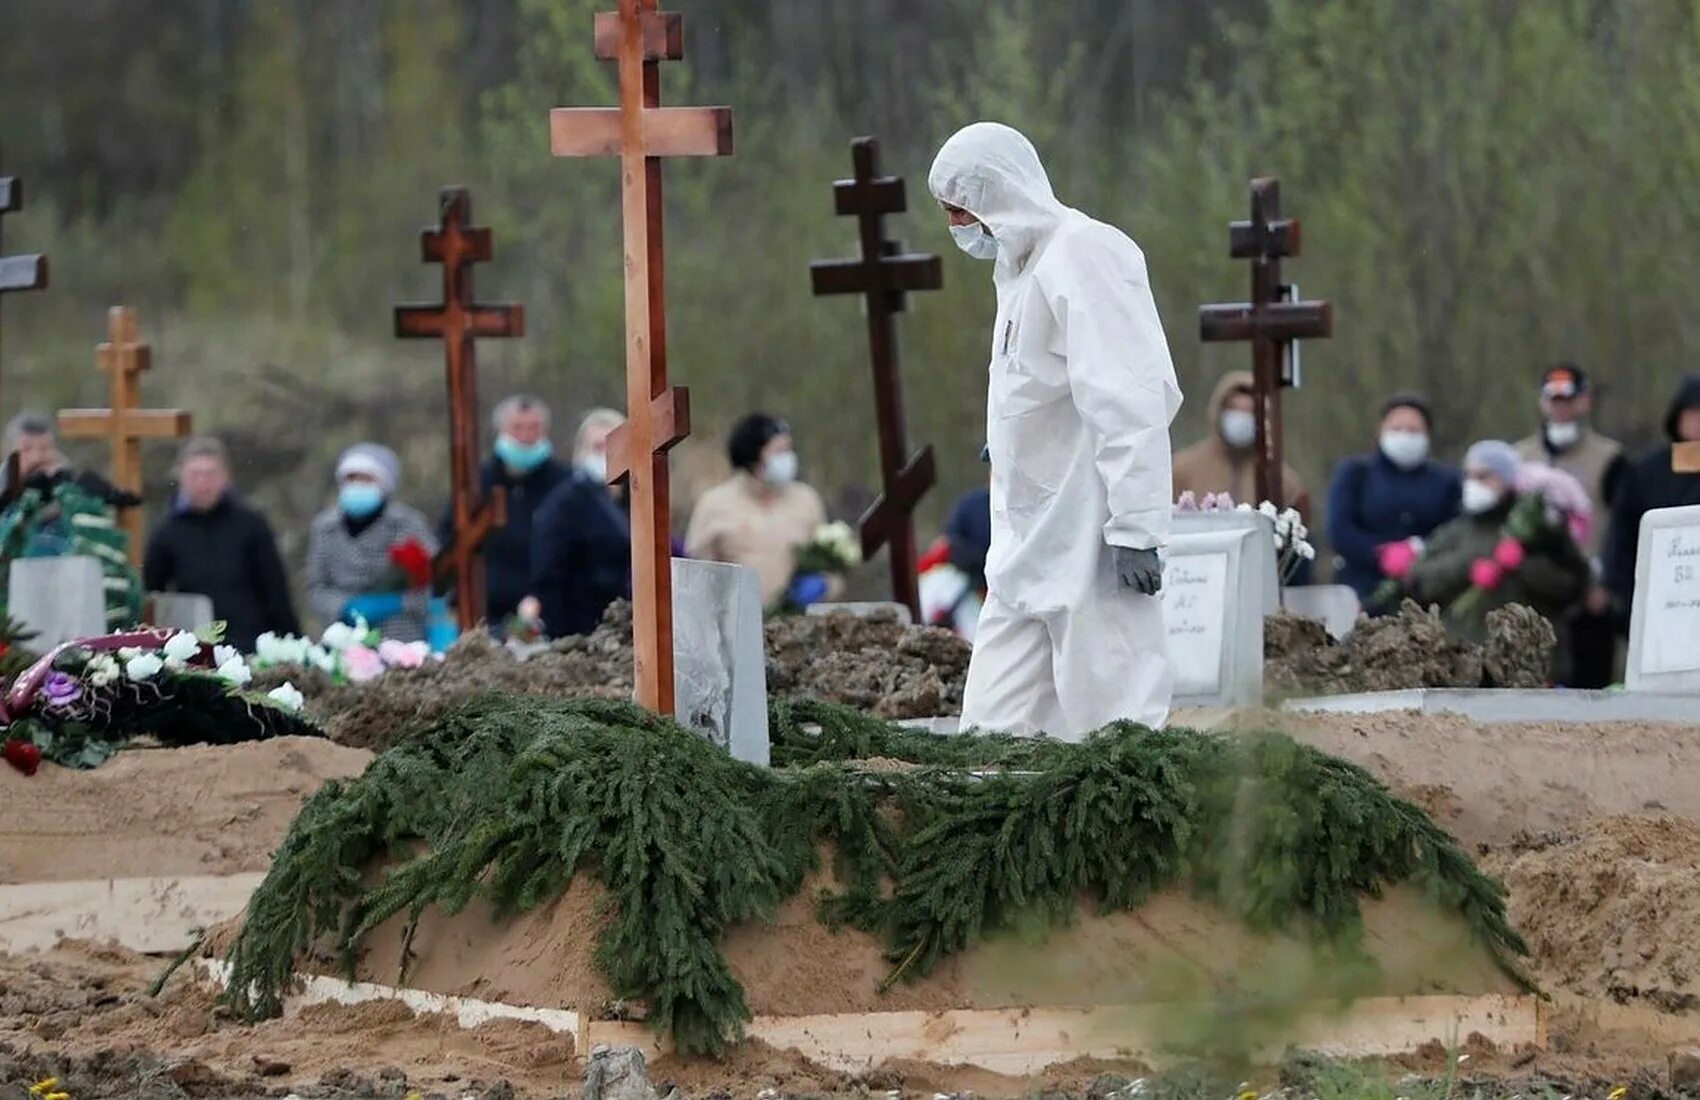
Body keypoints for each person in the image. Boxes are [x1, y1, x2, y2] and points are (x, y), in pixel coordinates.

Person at [928, 121, 1181, 739]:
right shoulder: (1020, 271)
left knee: (1116, 722)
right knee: (992, 733)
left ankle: (1132, 836)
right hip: (1023, 545)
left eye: (960, 208)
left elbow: (1130, 399)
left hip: (1089, 537)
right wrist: (1011, 437)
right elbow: (1037, 383)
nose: (957, 226)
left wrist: (1137, 527)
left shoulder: (1085, 253)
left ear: (995, 192)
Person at [1406, 440, 1590, 648]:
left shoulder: (1540, 532)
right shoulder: (1453, 532)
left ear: (1508, 479)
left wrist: (1523, 564)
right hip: (1462, 659)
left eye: (1484, 477)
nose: (1473, 484)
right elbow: (1419, 583)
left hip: (1528, 661)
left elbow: (1572, 587)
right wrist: (1467, 567)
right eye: (1469, 475)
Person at [1514, 365, 1627, 687]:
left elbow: (1621, 524)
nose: (1561, 408)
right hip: (1533, 592)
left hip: (1589, 594)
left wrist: (1608, 583)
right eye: (1554, 400)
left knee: (1591, 688)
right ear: (1542, 402)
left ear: (1584, 401)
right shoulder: (1521, 457)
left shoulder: (1610, 458)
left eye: (1569, 399)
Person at [143, 437, 299, 651]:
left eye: (210, 474)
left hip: (249, 644)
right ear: (180, 476)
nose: (203, 483)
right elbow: (152, 594)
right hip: (193, 648)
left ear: (225, 477)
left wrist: (293, 641)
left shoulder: (251, 524)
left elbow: (275, 590)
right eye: (195, 475)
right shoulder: (167, 531)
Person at [1, 412, 144, 628]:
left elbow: (110, 567)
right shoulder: (6, 508)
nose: (39, 458)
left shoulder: (81, 506)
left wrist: (74, 496)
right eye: (27, 450)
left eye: (46, 448)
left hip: (78, 623)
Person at [439, 395, 570, 629]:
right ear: (500, 430)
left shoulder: (565, 484)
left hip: (550, 610)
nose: (526, 436)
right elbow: (451, 540)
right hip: (486, 611)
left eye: (534, 428)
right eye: (517, 428)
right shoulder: (475, 483)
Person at [1325, 393, 1462, 608]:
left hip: (1426, 594)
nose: (1405, 435)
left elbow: (1456, 529)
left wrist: (1420, 550)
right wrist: (1380, 554)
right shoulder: (1355, 474)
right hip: (1362, 593)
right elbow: (1340, 530)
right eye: (1397, 428)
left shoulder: (1446, 481)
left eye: (1414, 430)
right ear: (1380, 432)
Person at [684, 413, 830, 607]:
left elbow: (833, 566)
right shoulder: (714, 504)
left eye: (789, 450)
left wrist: (824, 584)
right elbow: (694, 574)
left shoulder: (806, 500)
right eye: (779, 451)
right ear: (754, 456)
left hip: (799, 627)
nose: (787, 458)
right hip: (735, 623)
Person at [306, 443, 437, 642]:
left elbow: (433, 582)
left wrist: (398, 603)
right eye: (351, 478)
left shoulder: (408, 524)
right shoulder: (325, 528)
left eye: (366, 479)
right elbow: (316, 586)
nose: (357, 485)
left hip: (400, 640)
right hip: (344, 640)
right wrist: (344, 607)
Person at [528, 409, 634, 638]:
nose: (605, 455)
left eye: (611, 446)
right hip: (585, 627)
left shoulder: (633, 499)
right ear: (582, 451)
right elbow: (549, 571)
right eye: (597, 447)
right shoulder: (566, 503)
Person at [1605, 372, 1700, 617]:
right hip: (1659, 600)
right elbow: (1622, 535)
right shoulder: (1647, 471)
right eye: (1693, 413)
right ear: (1678, 417)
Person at [1172, 369, 1308, 513]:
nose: (1241, 418)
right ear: (1219, 412)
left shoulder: (1280, 479)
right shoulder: (1182, 470)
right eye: (1234, 409)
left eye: (1249, 411)